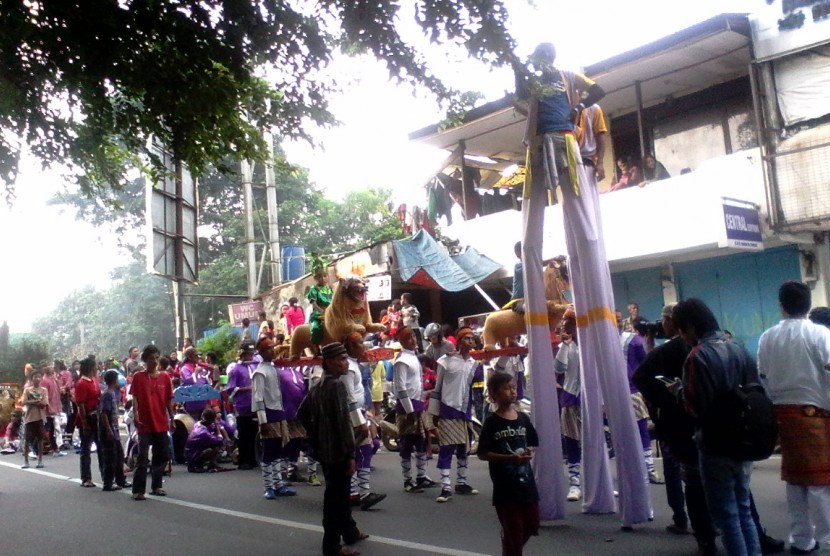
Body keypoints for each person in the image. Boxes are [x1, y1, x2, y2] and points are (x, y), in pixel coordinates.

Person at [673, 298, 761, 556]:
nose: (682, 336)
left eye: (681, 330)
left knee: (727, 515)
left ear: (689, 326)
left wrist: (677, 391)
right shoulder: (738, 348)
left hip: (714, 442)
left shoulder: (697, 356)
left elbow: (694, 406)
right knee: (743, 508)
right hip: (744, 440)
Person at [758, 281, 830, 554]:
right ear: (808, 305)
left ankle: (801, 539)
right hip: (816, 416)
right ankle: (826, 541)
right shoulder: (819, 334)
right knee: (821, 484)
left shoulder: (768, 337)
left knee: (796, 482)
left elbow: (762, 375)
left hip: (783, 415)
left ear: (781, 306)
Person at [298, 342, 369, 556]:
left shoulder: (318, 385)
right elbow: (343, 423)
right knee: (335, 499)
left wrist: (317, 435)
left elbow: (301, 415)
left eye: (346, 359)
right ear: (329, 362)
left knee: (340, 493)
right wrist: (350, 454)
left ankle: (350, 531)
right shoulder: (336, 386)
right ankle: (332, 546)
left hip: (324, 450)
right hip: (338, 451)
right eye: (340, 360)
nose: (345, 363)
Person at [477, 372, 540, 556]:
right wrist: (510, 459)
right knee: (514, 532)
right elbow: (482, 453)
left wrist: (528, 452)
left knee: (532, 524)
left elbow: (532, 442)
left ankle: (509, 549)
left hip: (527, 484)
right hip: (505, 487)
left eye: (513, 387)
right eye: (506, 388)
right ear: (493, 394)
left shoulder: (523, 418)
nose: (512, 391)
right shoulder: (491, 423)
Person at [428, 327, 481, 503]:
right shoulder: (445, 361)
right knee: (446, 449)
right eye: (466, 338)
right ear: (458, 341)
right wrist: (432, 416)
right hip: (447, 410)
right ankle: (445, 487)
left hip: (464, 412)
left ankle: (461, 482)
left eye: (472, 338)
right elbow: (437, 389)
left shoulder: (474, 363)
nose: (470, 341)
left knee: (463, 449)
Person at [342, 332, 386, 510]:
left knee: (359, 452)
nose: (363, 346)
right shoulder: (349, 368)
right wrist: (360, 420)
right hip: (353, 416)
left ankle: (356, 492)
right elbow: (350, 398)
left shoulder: (353, 365)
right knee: (361, 451)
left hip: (358, 413)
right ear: (351, 347)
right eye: (360, 343)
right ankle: (362, 493)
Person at [393, 326, 437, 493]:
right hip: (407, 408)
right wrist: (409, 411)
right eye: (409, 337)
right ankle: (407, 480)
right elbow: (400, 388)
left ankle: (421, 476)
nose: (413, 340)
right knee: (407, 443)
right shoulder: (401, 360)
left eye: (413, 336)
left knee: (421, 441)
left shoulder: (413, 358)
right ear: (402, 341)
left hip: (418, 406)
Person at [252, 336, 296, 498]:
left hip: (279, 412)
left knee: (279, 450)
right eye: (269, 348)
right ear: (261, 352)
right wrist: (262, 420)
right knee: (269, 451)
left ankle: (278, 484)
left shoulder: (274, 368)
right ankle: (268, 486)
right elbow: (258, 397)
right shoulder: (260, 372)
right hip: (269, 414)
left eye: (272, 347)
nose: (272, 351)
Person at [130, 344, 175, 501]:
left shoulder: (165, 377)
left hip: (161, 422)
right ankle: (138, 490)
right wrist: (135, 415)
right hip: (144, 423)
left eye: (156, 358)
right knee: (142, 457)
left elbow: (169, 400)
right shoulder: (138, 377)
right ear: (145, 360)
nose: (154, 361)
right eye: (151, 359)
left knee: (162, 455)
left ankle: (156, 486)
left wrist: (172, 418)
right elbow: (134, 397)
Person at [554, 310, 583, 502]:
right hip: (571, 397)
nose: (565, 324)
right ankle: (575, 483)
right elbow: (558, 369)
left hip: (593, 400)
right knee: (572, 441)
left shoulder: (592, 344)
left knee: (596, 441)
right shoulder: (567, 346)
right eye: (565, 321)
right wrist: (564, 346)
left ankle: (597, 482)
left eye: (569, 321)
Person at [226, 340, 259, 470]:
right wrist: (247, 389)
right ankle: (244, 460)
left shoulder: (253, 366)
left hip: (254, 404)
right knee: (244, 434)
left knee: (254, 433)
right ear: (242, 354)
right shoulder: (235, 369)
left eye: (251, 354)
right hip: (242, 406)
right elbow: (230, 389)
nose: (250, 357)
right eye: (247, 354)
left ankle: (253, 458)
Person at [99, 368, 131, 491]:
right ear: (114, 380)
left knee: (119, 455)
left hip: (114, 428)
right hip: (109, 429)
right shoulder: (107, 394)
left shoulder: (112, 393)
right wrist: (108, 430)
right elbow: (104, 413)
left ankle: (120, 479)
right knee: (110, 457)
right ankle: (108, 483)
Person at [74, 356, 102, 487]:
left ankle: (105, 475)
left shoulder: (94, 380)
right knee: (86, 448)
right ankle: (86, 478)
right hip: (87, 418)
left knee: (101, 447)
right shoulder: (81, 383)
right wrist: (85, 423)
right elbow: (80, 405)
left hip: (97, 417)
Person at [185, 407, 230, 473]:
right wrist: (218, 430)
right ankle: (197, 465)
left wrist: (219, 426)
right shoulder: (203, 432)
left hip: (192, 452)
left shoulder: (198, 424)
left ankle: (212, 464)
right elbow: (219, 440)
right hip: (193, 456)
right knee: (215, 447)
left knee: (214, 444)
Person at [21, 369, 48, 469]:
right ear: (32, 379)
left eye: (39, 377)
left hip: (40, 417)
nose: (37, 379)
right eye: (35, 377)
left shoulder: (44, 390)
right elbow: (24, 401)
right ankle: (26, 461)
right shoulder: (27, 390)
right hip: (29, 417)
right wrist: (36, 401)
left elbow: (44, 403)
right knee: (27, 439)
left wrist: (32, 401)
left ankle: (40, 460)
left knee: (40, 439)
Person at [308, 266, 334, 346]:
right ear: (315, 278)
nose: (323, 279)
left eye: (324, 276)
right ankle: (315, 345)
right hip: (319, 314)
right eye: (319, 277)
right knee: (316, 328)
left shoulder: (330, 288)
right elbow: (314, 304)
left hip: (331, 313)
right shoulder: (313, 289)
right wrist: (323, 311)